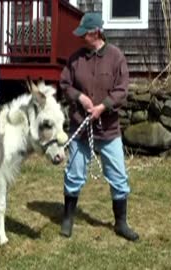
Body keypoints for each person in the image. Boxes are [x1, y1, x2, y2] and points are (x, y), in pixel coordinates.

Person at [59, 12, 139, 241]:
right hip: (80, 129)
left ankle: (121, 223)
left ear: (95, 33)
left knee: (118, 176)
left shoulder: (116, 57)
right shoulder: (75, 59)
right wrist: (80, 97)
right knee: (73, 174)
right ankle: (67, 219)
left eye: (84, 33)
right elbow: (65, 84)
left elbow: (121, 90)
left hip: (109, 129)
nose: (81, 37)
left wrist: (102, 107)